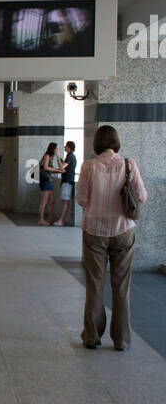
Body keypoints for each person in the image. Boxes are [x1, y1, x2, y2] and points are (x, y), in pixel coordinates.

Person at [74, 125, 148, 351]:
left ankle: (92, 336)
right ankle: (122, 340)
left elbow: (81, 199)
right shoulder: (129, 164)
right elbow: (142, 197)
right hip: (123, 230)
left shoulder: (89, 166)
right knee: (121, 286)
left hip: (94, 230)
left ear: (96, 143)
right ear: (116, 142)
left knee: (94, 285)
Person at [37, 142, 63, 225]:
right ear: (53, 149)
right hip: (45, 181)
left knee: (52, 200)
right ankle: (41, 220)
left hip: (48, 181)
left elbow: (48, 169)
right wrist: (57, 170)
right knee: (44, 201)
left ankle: (50, 218)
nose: (58, 150)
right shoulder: (47, 156)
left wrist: (56, 170)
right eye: (57, 149)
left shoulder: (50, 157)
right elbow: (45, 167)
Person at [53, 139, 76, 226]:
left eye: (66, 146)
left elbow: (62, 168)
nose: (64, 147)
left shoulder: (70, 156)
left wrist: (58, 156)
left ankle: (61, 220)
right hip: (67, 181)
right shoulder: (69, 156)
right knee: (64, 201)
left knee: (65, 202)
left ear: (69, 147)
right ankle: (61, 220)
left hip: (67, 181)